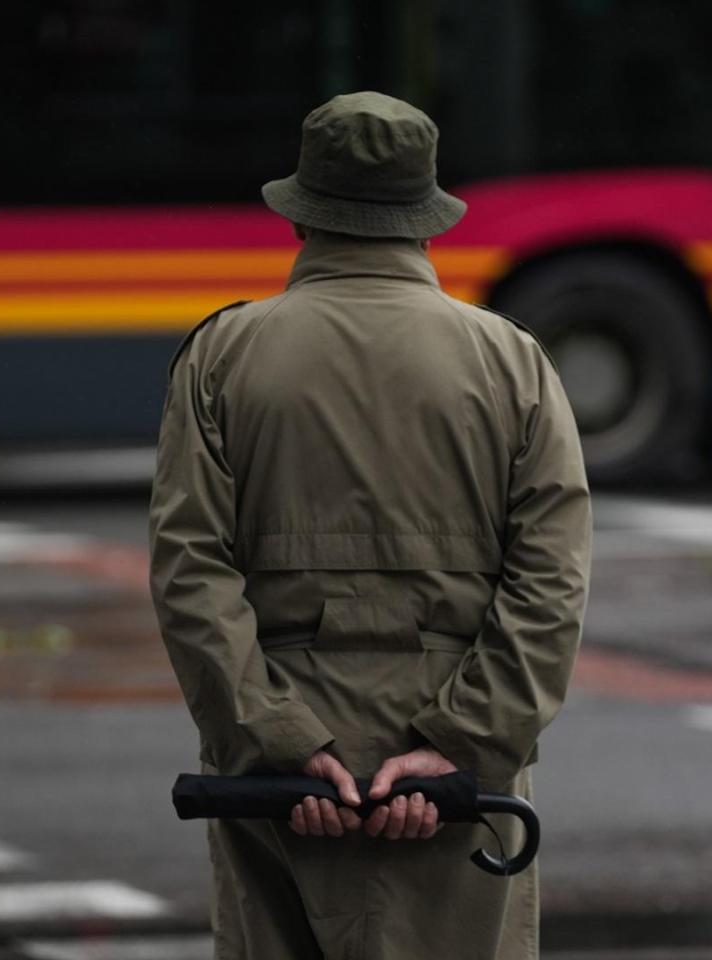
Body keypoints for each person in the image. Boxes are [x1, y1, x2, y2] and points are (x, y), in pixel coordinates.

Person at [148, 90, 592, 960]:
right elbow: (553, 582)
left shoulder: (223, 358)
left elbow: (189, 568)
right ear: (426, 224)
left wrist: (278, 739)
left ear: (301, 217)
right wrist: (457, 743)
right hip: (463, 783)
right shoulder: (511, 362)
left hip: (276, 765)